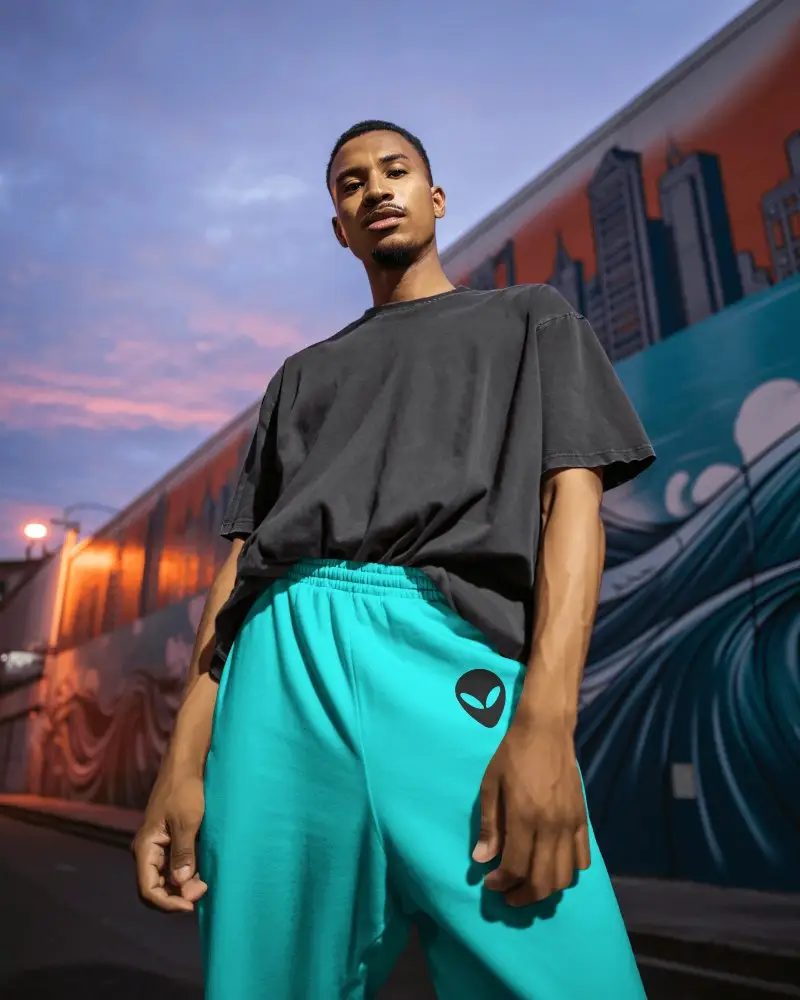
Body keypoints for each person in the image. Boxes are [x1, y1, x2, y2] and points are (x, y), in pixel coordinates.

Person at [133, 119, 655, 1000]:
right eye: (350, 183)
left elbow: (573, 508)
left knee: (577, 977)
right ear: (339, 228)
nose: (375, 188)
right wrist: (182, 762)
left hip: (451, 664)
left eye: (395, 170)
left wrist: (548, 724)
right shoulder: (299, 376)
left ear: (435, 198)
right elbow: (241, 568)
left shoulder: (530, 318)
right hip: (282, 670)